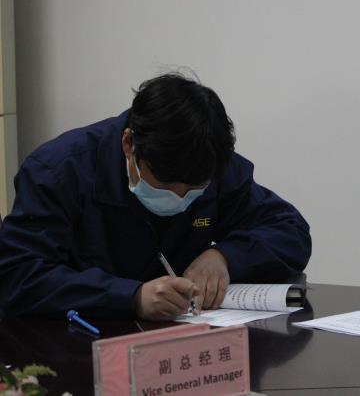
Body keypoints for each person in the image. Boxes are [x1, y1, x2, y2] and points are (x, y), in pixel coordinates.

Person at [0, 73, 311, 320]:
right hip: (78, 346)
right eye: (165, 184)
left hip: (184, 345)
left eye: (193, 189)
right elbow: (17, 276)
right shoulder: (58, 171)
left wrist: (224, 257)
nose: (178, 198)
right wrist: (130, 297)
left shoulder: (212, 164)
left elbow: (290, 230)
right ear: (129, 144)